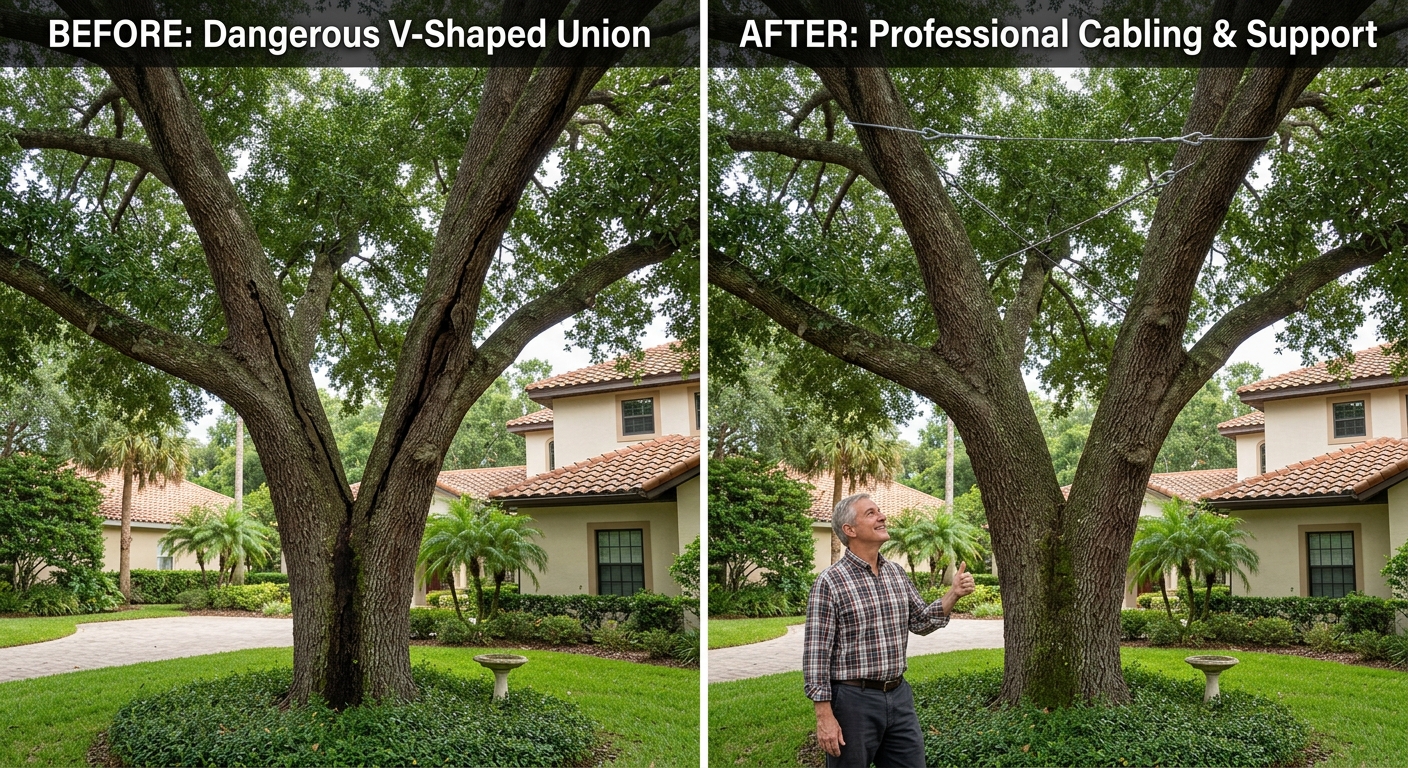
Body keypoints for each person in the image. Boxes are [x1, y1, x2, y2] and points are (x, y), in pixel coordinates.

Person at [803, 492, 976, 768]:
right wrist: (824, 716)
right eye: (871, 513)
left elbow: (921, 621)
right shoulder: (830, 582)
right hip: (853, 702)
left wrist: (953, 594)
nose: (882, 517)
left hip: (899, 696)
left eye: (879, 511)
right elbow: (816, 656)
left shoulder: (896, 573)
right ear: (850, 530)